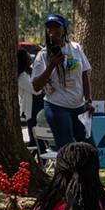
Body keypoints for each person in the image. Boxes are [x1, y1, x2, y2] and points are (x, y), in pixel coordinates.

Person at [30, 13, 93, 148]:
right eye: (49, 27)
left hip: (79, 107)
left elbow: (84, 75)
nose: (52, 29)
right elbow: (36, 86)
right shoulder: (43, 55)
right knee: (67, 148)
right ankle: (65, 170)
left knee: (89, 147)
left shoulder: (76, 48)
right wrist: (52, 65)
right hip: (57, 107)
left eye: (56, 26)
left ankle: (86, 170)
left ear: (64, 29)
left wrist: (88, 101)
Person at [17, 48, 42, 144]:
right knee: (34, 137)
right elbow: (35, 90)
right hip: (31, 107)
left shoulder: (31, 71)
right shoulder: (21, 76)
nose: (30, 60)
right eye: (28, 58)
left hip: (38, 104)